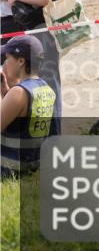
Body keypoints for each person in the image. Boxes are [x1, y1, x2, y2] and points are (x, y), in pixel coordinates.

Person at [6, 0, 69, 130]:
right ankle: (50, 131)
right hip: (44, 28)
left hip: (45, 28)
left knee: (49, 79)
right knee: (48, 77)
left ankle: (54, 132)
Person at [1, 35, 55, 178]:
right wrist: (4, 90)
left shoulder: (18, 93)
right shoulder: (46, 89)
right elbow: (24, 117)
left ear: (20, 61)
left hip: (9, 168)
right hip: (32, 164)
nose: (5, 63)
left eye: (7, 58)